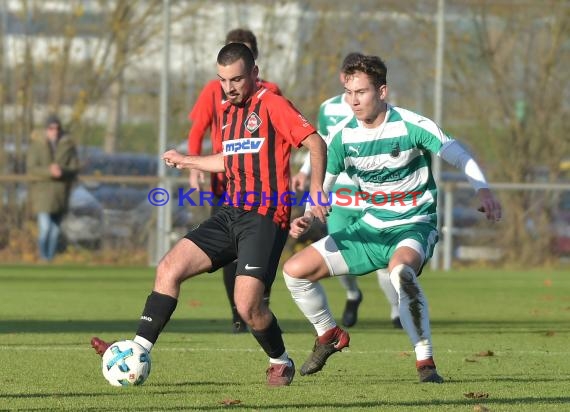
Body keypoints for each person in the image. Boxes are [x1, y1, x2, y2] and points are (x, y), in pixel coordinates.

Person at [91, 42, 329, 387]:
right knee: (168, 269)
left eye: (236, 79)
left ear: (254, 74)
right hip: (230, 211)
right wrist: (188, 160)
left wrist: (318, 187)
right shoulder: (228, 112)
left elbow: (315, 141)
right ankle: (137, 351)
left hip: (265, 214)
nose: (229, 88)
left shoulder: (272, 105)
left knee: (248, 306)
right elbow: (228, 160)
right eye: (222, 80)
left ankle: (280, 361)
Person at [282, 54, 502, 383]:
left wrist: (482, 189)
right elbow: (322, 193)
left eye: (362, 92)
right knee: (294, 272)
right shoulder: (342, 137)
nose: (353, 101)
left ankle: (424, 361)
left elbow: (457, 152)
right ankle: (328, 334)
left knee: (401, 273)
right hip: (371, 228)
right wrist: (307, 216)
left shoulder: (410, 125)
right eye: (349, 92)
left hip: (414, 224)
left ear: (382, 92)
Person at [291, 52, 401, 329]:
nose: (354, 94)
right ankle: (353, 295)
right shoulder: (328, 108)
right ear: (342, 78)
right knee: (336, 251)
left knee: (384, 264)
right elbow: (321, 144)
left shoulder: (381, 109)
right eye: (346, 80)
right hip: (339, 195)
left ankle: (396, 311)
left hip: (371, 195)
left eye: (359, 87)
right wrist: (305, 174)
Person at [188, 28, 282, 333]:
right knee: (230, 251)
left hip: (265, 192)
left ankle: (255, 303)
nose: (231, 83)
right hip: (225, 183)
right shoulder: (213, 91)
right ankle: (238, 314)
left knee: (261, 252)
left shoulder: (272, 93)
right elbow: (197, 129)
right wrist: (194, 167)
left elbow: (283, 138)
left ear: (252, 61)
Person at [26, 115, 79, 262]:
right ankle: (44, 257)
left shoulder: (68, 146)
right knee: (45, 228)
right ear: (46, 129)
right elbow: (31, 168)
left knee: (55, 230)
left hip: (60, 193)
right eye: (51, 128)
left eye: (57, 128)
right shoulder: (37, 145)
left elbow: (74, 167)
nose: (54, 131)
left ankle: (50, 259)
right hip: (42, 193)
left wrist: (62, 171)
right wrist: (49, 171)